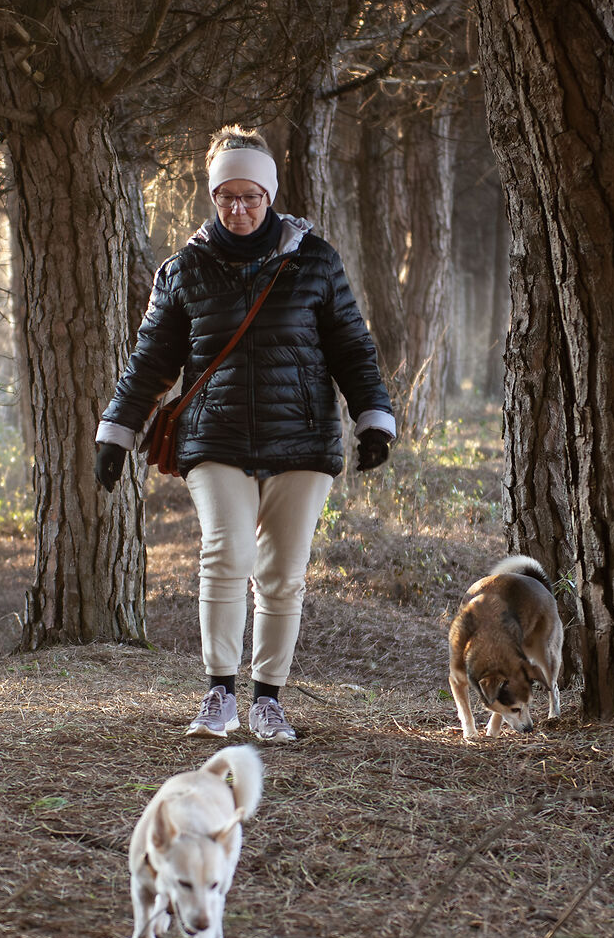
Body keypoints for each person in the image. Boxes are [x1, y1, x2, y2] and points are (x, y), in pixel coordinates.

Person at [93, 126, 395, 742]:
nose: (239, 208)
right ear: (213, 195)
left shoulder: (315, 261)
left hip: (302, 438)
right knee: (227, 554)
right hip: (216, 436)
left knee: (283, 572)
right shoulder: (185, 270)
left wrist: (373, 418)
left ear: (269, 193)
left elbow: (352, 348)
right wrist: (116, 433)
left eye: (250, 195)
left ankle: (269, 700)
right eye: (227, 196)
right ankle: (219, 694)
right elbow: (150, 361)